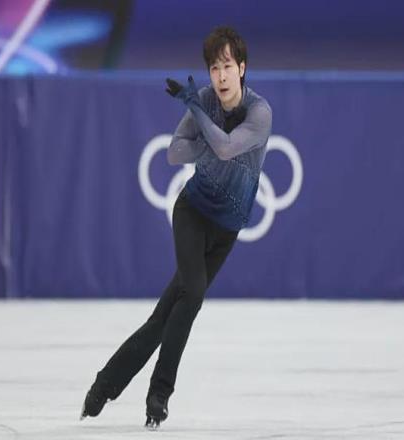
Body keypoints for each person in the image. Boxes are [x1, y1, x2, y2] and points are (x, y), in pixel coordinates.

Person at [80, 26, 272, 429]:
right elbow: (172, 152)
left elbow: (226, 147)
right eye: (213, 68)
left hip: (227, 229)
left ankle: (104, 385)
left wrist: (197, 116)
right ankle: (159, 394)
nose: (220, 76)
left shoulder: (259, 112)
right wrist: (202, 128)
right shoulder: (203, 99)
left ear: (242, 68)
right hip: (192, 212)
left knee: (164, 317)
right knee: (193, 295)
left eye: (227, 66)